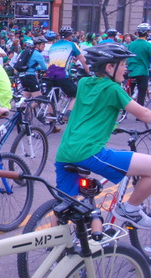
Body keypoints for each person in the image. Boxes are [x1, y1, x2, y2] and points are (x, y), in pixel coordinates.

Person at [55, 43, 151, 228]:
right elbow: (143, 114)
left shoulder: (84, 83)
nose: (126, 68)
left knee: (64, 205)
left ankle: (54, 248)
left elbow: (93, 108)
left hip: (65, 152)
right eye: (122, 64)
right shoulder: (112, 89)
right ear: (109, 67)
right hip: (89, 152)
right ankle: (130, 209)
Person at [46, 26, 90, 118]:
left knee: (53, 99)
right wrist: (88, 72)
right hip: (62, 74)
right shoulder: (72, 45)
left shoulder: (53, 45)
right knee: (77, 94)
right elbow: (82, 60)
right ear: (70, 36)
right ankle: (68, 114)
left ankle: (51, 122)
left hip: (49, 74)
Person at [128, 23, 151, 106]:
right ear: (147, 33)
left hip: (131, 70)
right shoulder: (148, 45)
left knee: (128, 92)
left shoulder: (131, 44)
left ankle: (124, 111)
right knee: (142, 92)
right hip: (142, 71)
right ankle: (139, 114)